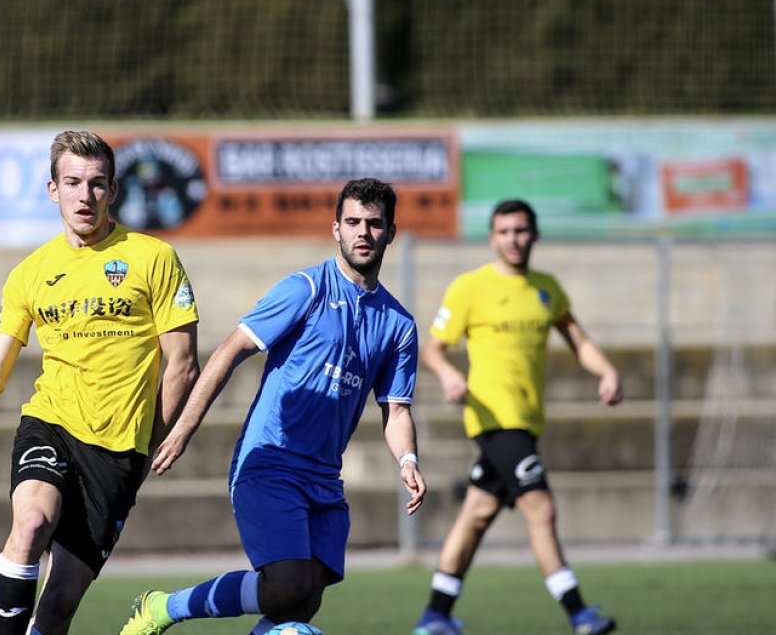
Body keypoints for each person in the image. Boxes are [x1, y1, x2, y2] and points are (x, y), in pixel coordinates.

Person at [0, 130, 200, 635]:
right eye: (73, 183)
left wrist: (148, 446)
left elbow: (181, 365)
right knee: (30, 523)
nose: (84, 196)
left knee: (57, 607)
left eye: (96, 184)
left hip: (118, 452)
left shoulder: (154, 258)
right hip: (51, 423)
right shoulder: (30, 272)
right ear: (53, 190)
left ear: (113, 191)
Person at [118, 178, 427, 635]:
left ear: (391, 233)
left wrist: (408, 459)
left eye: (374, 224)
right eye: (353, 222)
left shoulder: (399, 324)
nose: (363, 232)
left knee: (300, 603)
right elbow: (229, 351)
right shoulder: (304, 289)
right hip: (269, 463)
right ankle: (163, 608)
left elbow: (396, 410)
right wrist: (182, 428)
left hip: (324, 477)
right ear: (336, 230)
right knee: (284, 585)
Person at [411, 199, 623, 635]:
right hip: (494, 420)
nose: (513, 239)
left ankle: (435, 615)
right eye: (504, 231)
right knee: (540, 507)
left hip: (527, 421)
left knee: (478, 512)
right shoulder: (470, 287)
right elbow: (431, 347)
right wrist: (449, 373)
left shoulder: (547, 289)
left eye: (521, 231)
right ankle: (579, 613)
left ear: (534, 235)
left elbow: (578, 340)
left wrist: (606, 371)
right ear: (492, 237)